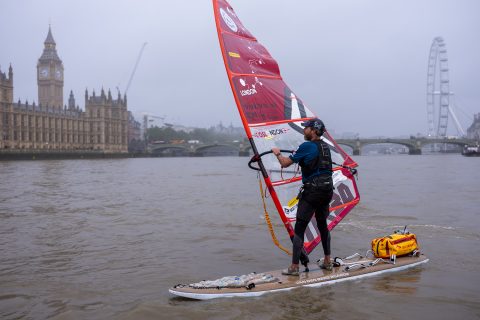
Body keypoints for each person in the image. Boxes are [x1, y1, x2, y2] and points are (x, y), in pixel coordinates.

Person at [272, 118, 334, 276]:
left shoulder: (307, 145)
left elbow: (285, 163)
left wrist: (278, 154)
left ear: (313, 130)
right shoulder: (326, 147)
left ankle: (294, 267)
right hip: (327, 190)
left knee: (299, 229)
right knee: (322, 226)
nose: (304, 130)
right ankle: (328, 261)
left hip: (312, 191)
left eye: (306, 128)